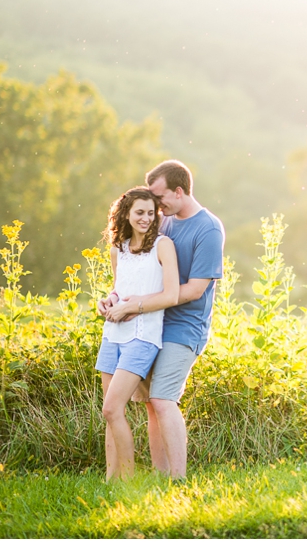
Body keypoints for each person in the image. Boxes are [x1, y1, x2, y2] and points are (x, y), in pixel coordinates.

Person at [99, 160, 224, 480]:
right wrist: (119, 299)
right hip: (152, 323)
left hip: (184, 327)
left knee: (163, 398)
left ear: (179, 192)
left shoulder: (207, 229)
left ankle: (178, 479)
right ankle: (160, 473)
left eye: (159, 197)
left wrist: (137, 305)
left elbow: (195, 290)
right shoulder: (163, 221)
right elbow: (137, 271)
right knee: (150, 403)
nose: (154, 206)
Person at [96, 187, 180, 481]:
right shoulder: (117, 250)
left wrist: (133, 308)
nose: (145, 218)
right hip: (113, 334)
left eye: (150, 213)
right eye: (139, 213)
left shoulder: (163, 245)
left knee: (111, 408)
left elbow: (170, 295)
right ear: (126, 214)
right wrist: (107, 301)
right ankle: (111, 477)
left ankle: (128, 480)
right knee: (110, 413)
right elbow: (120, 288)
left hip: (142, 338)